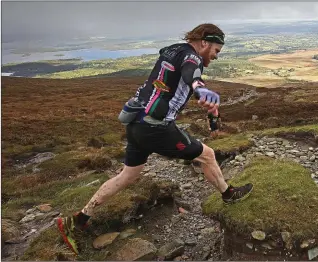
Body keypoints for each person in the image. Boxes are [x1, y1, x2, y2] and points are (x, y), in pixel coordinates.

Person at [56, 23, 253, 255]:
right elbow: (192, 73)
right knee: (207, 155)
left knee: (128, 175)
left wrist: (210, 107)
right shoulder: (193, 57)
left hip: (136, 123)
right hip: (156, 128)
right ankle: (229, 195)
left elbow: (178, 77)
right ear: (204, 42)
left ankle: (79, 218)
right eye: (216, 51)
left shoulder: (173, 50)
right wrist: (200, 89)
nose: (216, 56)